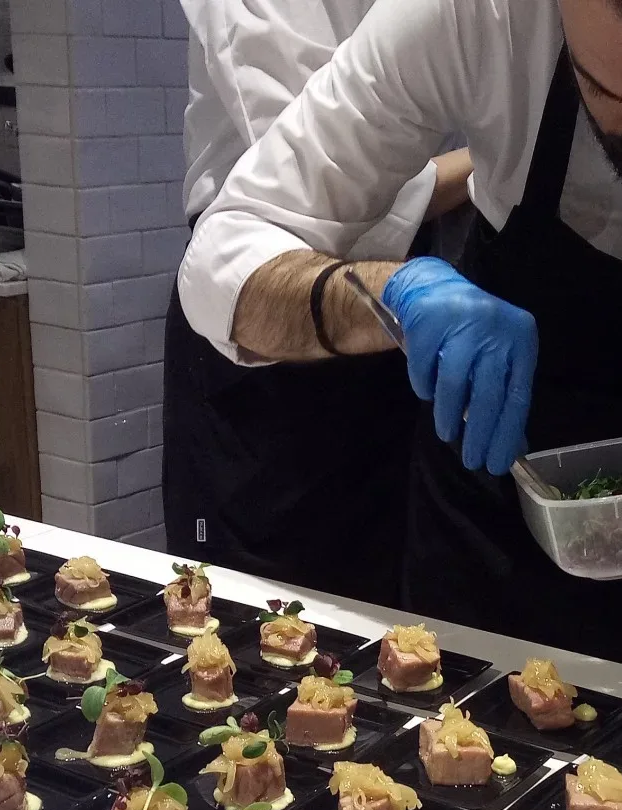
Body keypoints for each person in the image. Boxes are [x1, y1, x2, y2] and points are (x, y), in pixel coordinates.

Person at [178, 0, 622, 696]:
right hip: (488, 541)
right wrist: (384, 296)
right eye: (599, 90)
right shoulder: (474, 14)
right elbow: (223, 260)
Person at [164, 0, 473, 605]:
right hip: (264, 322)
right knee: (251, 609)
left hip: (383, 327)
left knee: (380, 601)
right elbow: (323, 187)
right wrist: (489, 162)